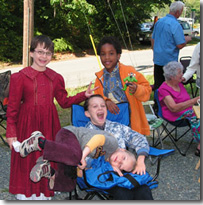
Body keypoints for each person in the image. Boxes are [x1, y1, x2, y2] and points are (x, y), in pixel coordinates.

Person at [5, 35, 98, 200]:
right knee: (27, 157)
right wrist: (11, 132)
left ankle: (44, 192)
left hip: (49, 124)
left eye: (48, 53)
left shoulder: (55, 78)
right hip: (27, 124)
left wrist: (84, 95)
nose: (43, 56)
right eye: (40, 52)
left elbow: (64, 102)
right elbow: (12, 108)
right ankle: (26, 194)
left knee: (47, 155)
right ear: (32, 53)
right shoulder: (19, 77)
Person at [17, 126, 152, 200]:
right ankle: (40, 141)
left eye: (121, 166)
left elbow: (82, 173)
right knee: (76, 155)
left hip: (68, 153)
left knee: (69, 183)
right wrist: (84, 154)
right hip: (70, 134)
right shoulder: (113, 145)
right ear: (123, 150)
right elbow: (98, 139)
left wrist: (82, 168)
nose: (119, 162)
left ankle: (48, 170)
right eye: (123, 158)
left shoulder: (103, 162)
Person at [84, 94, 153, 200]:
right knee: (123, 194)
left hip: (125, 168)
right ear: (87, 113)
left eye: (103, 106)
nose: (100, 108)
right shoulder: (84, 134)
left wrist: (140, 159)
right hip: (103, 175)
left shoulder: (116, 127)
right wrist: (107, 162)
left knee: (143, 190)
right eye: (95, 106)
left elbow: (139, 139)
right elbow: (83, 161)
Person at [94, 36, 152, 136]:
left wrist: (137, 89)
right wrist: (105, 101)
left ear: (118, 55)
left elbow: (147, 89)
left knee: (131, 150)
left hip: (130, 123)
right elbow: (95, 98)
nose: (107, 57)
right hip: (111, 124)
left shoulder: (129, 72)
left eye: (111, 53)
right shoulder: (100, 78)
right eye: (103, 54)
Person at [158, 61, 200, 156]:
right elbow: (173, 108)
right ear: (172, 77)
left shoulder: (178, 83)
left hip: (186, 110)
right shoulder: (163, 89)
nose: (182, 74)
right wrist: (193, 101)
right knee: (198, 117)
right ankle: (200, 147)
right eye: (180, 73)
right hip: (174, 115)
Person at [151, 1, 192, 91]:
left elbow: (152, 39)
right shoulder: (175, 25)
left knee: (158, 85)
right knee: (169, 87)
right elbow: (180, 44)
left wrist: (155, 51)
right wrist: (187, 39)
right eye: (181, 11)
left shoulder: (159, 22)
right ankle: (168, 104)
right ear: (178, 12)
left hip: (158, 59)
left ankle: (157, 104)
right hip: (170, 63)